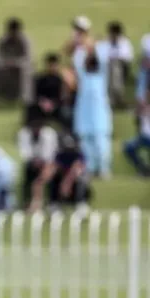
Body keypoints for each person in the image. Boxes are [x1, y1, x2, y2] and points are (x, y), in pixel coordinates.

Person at [73, 44, 112, 178]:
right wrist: (82, 49)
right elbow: (77, 61)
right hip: (84, 116)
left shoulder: (102, 76)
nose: (87, 64)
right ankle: (90, 168)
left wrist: (95, 48)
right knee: (86, 146)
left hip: (100, 117)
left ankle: (104, 169)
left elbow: (104, 60)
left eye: (90, 61)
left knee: (102, 145)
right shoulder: (83, 77)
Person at [0, 18, 33, 113]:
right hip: (5, 69)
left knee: (27, 71)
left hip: (19, 68)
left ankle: (27, 103)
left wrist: (15, 63)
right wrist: (5, 63)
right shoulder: (2, 40)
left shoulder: (25, 41)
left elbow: (28, 59)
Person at [29, 133, 90, 212]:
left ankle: (80, 203)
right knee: (53, 179)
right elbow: (55, 167)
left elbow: (76, 169)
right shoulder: (59, 154)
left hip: (74, 179)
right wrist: (42, 179)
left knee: (81, 179)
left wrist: (67, 183)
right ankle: (54, 203)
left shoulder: (79, 154)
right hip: (63, 178)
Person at [18, 116, 59, 207]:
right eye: (33, 126)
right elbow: (24, 151)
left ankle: (50, 202)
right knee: (28, 176)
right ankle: (27, 201)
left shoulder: (49, 133)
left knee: (41, 180)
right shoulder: (24, 133)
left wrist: (42, 161)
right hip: (32, 162)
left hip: (49, 162)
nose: (35, 129)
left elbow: (51, 151)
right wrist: (33, 160)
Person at [101, 21, 134, 109]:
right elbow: (103, 56)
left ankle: (116, 97)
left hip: (121, 68)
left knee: (115, 67)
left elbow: (127, 58)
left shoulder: (124, 42)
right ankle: (114, 98)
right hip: (107, 67)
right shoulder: (106, 42)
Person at [123, 88, 150, 177]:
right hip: (143, 137)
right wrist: (140, 111)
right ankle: (142, 167)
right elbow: (137, 121)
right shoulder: (143, 108)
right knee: (128, 147)